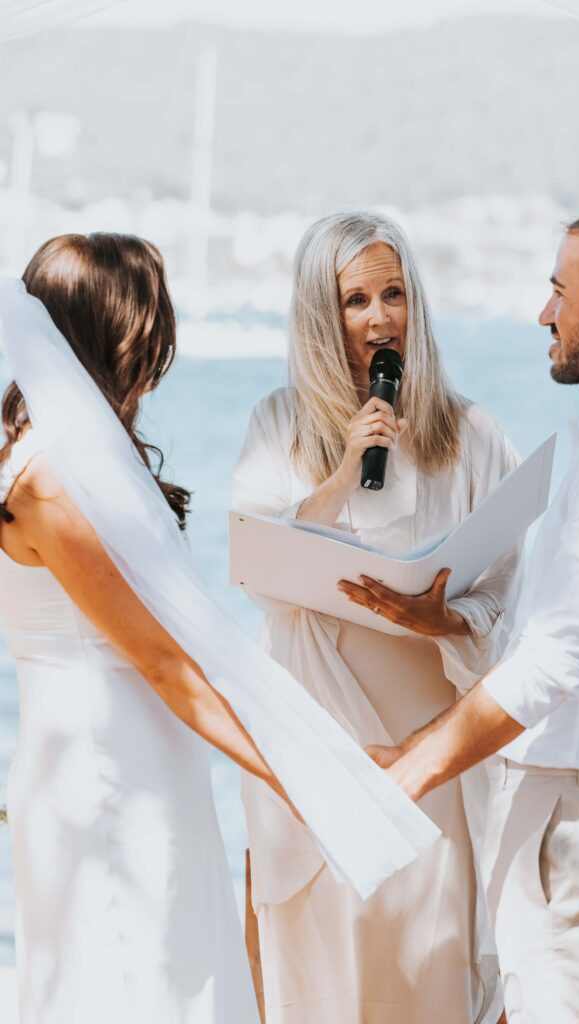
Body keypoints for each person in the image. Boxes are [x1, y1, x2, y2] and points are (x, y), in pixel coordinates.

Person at [0, 233, 438, 1024]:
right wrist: (306, 777)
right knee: (130, 981)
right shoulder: (48, 483)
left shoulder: (90, 460)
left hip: (151, 763)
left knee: (174, 967)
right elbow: (166, 664)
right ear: (118, 334)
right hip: (103, 773)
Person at [369, 206, 579, 1024]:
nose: (544, 313)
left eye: (559, 292)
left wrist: (410, 769)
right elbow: (577, 642)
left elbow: (558, 665)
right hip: (569, 806)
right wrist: (456, 625)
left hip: (573, 818)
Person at [231, 210, 522, 1024]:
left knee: (424, 949)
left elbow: (505, 592)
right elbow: (255, 568)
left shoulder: (469, 434)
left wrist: (447, 620)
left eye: (392, 294)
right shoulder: (277, 424)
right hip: (316, 727)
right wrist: (334, 474)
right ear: (322, 316)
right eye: (355, 299)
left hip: (429, 738)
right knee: (326, 951)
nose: (378, 317)